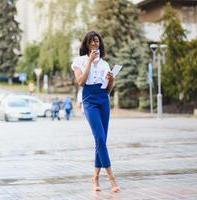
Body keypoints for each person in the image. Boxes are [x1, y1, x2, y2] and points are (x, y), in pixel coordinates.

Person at [71, 31, 120, 192]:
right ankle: (112, 178)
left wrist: (111, 80)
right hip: (89, 100)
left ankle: (96, 178)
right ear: (86, 44)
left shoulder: (105, 64)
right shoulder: (79, 61)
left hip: (103, 100)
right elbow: (81, 82)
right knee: (99, 137)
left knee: (101, 141)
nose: (94, 44)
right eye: (91, 41)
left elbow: (108, 91)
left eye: (97, 41)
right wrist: (90, 62)